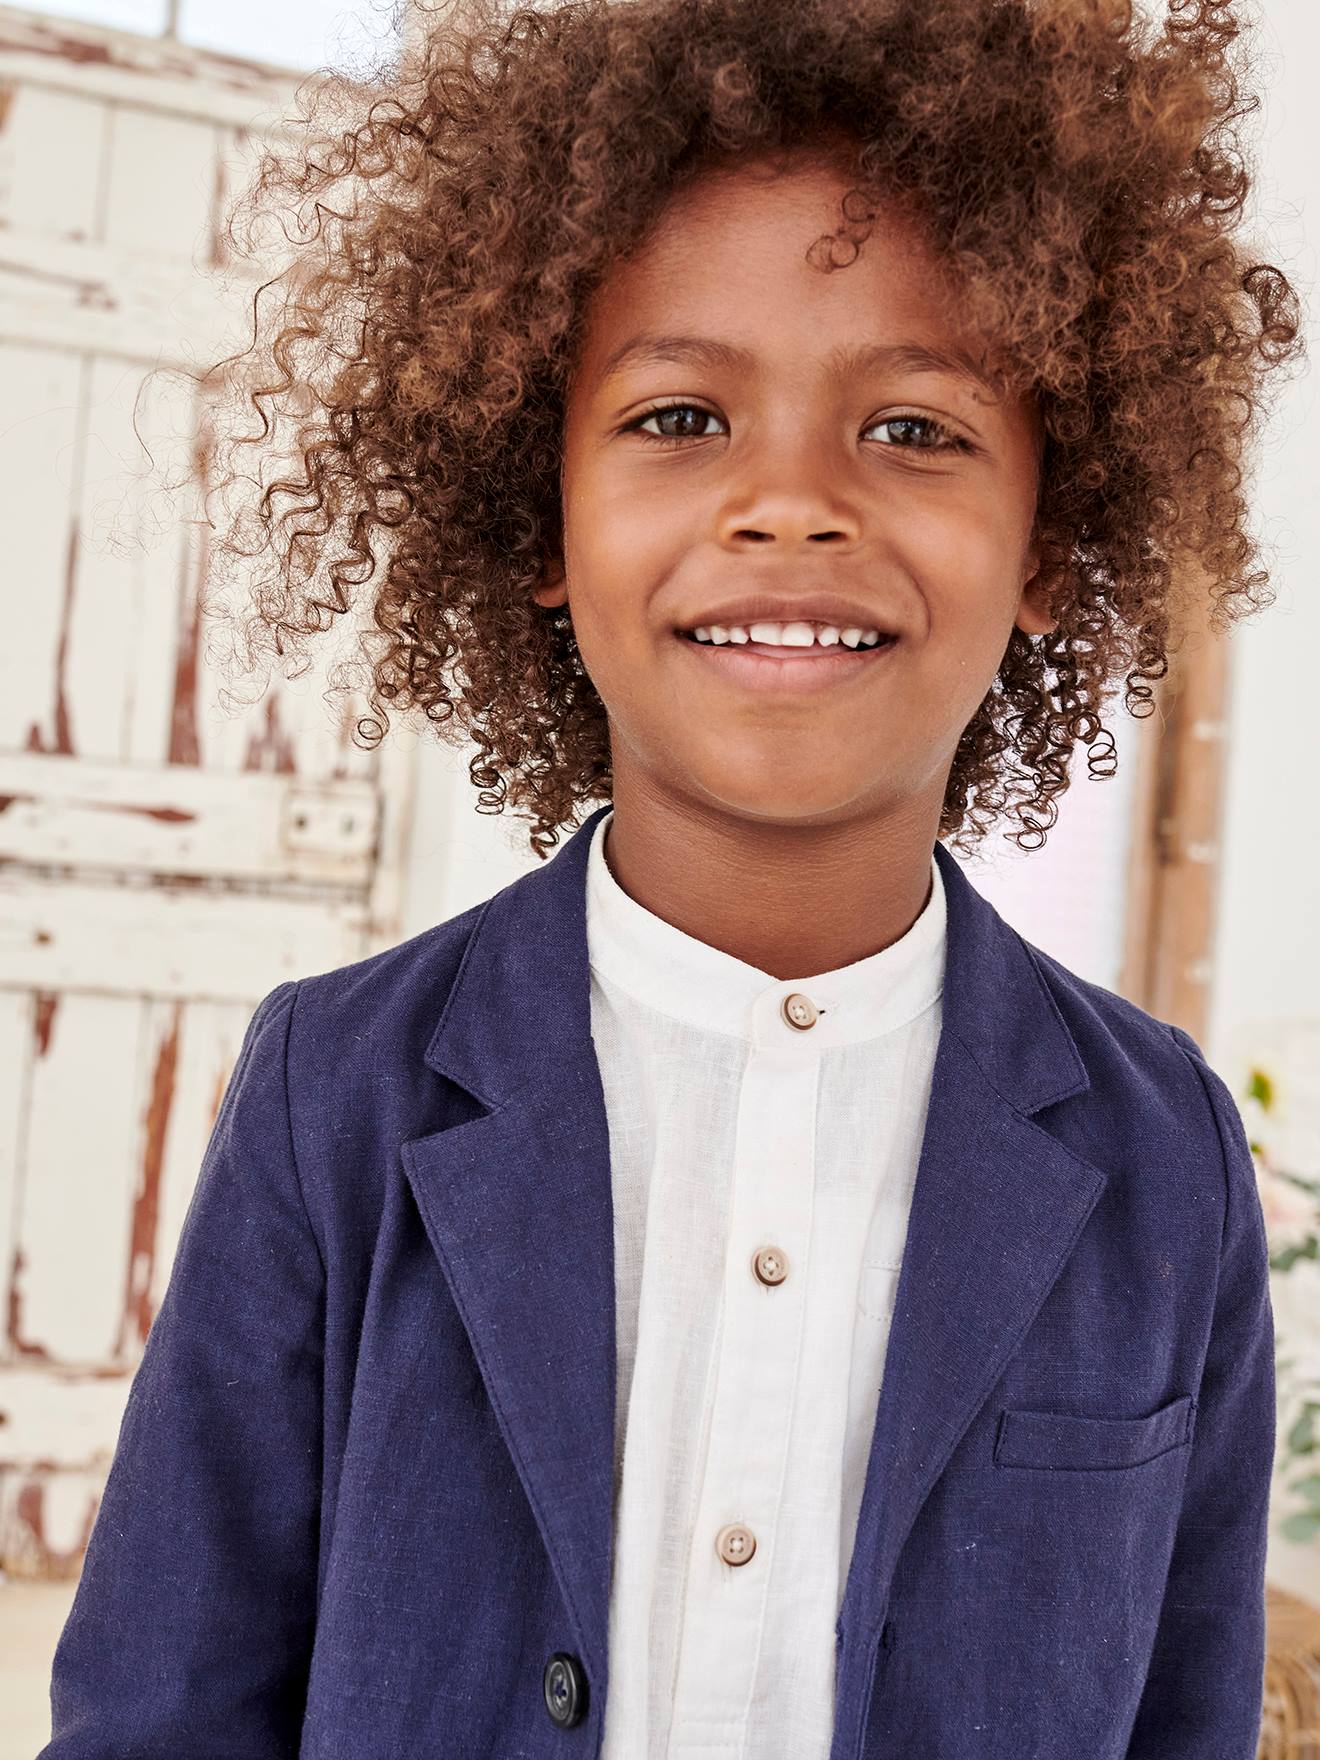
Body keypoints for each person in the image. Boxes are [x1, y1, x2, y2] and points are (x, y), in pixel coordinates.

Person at [41, 0, 1304, 1754]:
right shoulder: (336, 1088)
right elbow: (158, 1710)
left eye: (919, 430)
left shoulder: (1162, 1150)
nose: (789, 504)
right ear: (535, 507)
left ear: (1055, 536)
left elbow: (1180, 1712)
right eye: (683, 415)